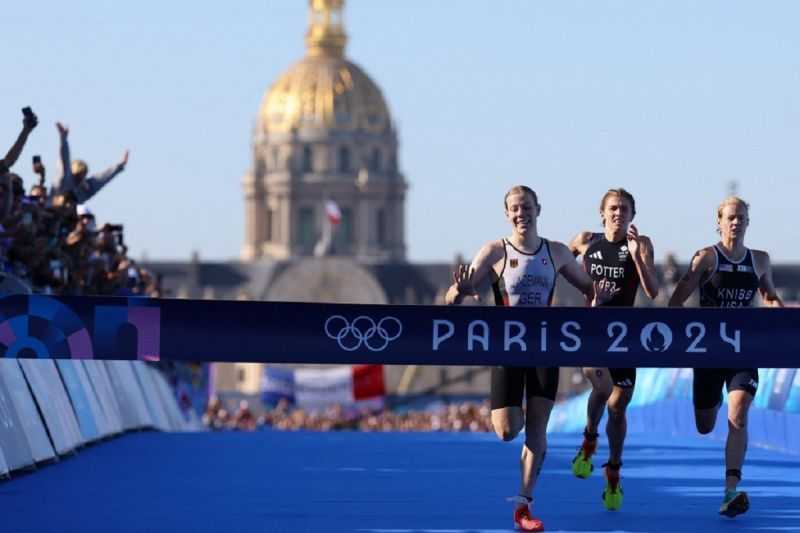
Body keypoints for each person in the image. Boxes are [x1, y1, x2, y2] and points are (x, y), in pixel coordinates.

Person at [445, 185, 612, 532]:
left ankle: (524, 505)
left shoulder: (557, 252)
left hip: (545, 348)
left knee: (538, 428)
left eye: (527, 207)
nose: (521, 214)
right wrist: (459, 291)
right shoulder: (494, 251)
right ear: (507, 214)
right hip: (507, 349)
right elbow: (453, 299)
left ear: (538, 209)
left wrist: (600, 296)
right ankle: (519, 428)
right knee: (507, 430)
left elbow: (590, 290)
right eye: (515, 209)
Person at [668, 196, 782, 518]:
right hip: (707, 353)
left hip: (742, 351)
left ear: (748, 222)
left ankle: (730, 491)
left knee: (739, 412)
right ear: (718, 222)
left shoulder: (760, 260)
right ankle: (712, 400)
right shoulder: (706, 258)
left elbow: (770, 298)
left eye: (741, 218)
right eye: (730, 217)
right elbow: (677, 301)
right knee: (705, 425)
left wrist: (788, 325)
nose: (736, 222)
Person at [568, 187, 659, 511]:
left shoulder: (641, 244)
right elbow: (560, 266)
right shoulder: (585, 240)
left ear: (632, 215)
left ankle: (614, 471)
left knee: (618, 408)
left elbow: (652, 290)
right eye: (613, 208)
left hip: (625, 338)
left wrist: (636, 256)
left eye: (624, 209)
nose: (618, 213)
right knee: (603, 387)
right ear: (602, 213)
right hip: (592, 334)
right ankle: (590, 436)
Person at [53, 122, 129, 203]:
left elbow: (102, 178)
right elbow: (64, 161)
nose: (81, 178)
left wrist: (119, 166)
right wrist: (63, 140)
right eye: (79, 175)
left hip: (68, 214)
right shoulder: (64, 180)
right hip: (51, 211)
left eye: (83, 175)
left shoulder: (85, 190)